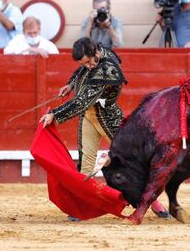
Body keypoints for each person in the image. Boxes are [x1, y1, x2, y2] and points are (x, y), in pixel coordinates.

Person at [39, 37, 170, 219]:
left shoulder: (107, 69)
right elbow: (81, 72)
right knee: (86, 163)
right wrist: (71, 84)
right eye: (84, 63)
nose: (88, 66)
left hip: (108, 118)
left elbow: (82, 101)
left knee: (131, 161)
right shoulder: (95, 57)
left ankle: (154, 203)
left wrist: (55, 114)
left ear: (95, 53)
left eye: (89, 62)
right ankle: (81, 206)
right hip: (89, 117)